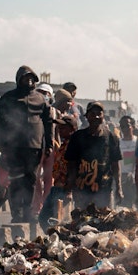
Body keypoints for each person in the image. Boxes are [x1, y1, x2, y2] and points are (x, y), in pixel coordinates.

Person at [0, 65, 52, 224]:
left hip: (34, 146)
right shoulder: (7, 98)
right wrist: (0, 141)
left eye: (32, 78)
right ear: (19, 80)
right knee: (16, 179)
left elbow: (48, 122)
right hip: (14, 146)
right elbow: (0, 122)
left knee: (31, 179)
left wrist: (49, 143)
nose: (30, 81)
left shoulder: (40, 99)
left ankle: (27, 213)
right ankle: (16, 214)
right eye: (26, 78)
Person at [64, 101, 122, 211]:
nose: (96, 116)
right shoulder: (78, 137)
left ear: (103, 116)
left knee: (104, 221)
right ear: (87, 116)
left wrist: (119, 188)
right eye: (92, 113)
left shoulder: (111, 137)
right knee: (81, 221)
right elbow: (71, 165)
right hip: (82, 189)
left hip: (104, 190)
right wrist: (69, 189)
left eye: (99, 113)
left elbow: (115, 165)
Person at [37, 88, 80, 224]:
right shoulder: (63, 145)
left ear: (72, 129)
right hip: (56, 188)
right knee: (44, 218)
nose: (60, 131)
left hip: (65, 189)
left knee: (60, 221)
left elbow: (74, 170)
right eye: (59, 128)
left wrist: (69, 191)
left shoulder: (74, 146)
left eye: (63, 128)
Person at [118, 115, 138, 208]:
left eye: (127, 126)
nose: (125, 129)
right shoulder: (118, 143)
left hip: (134, 179)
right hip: (121, 178)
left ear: (133, 126)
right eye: (122, 126)